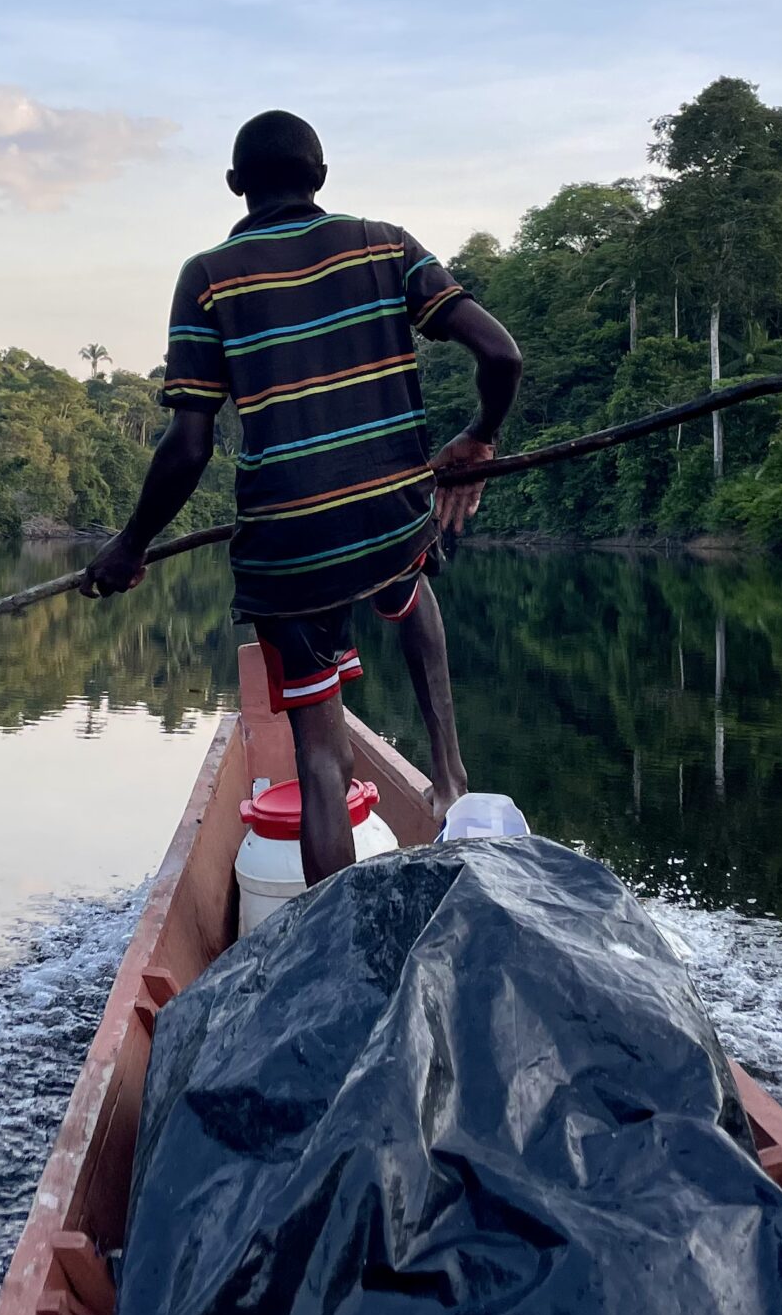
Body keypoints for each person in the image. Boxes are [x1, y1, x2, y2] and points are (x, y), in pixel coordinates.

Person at [81, 110, 522, 886]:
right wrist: (479, 437)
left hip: (290, 548)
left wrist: (131, 545)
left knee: (319, 755)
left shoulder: (208, 276)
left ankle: (337, 943)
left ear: (234, 187)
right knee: (408, 573)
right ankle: (449, 774)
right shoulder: (387, 244)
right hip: (392, 516)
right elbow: (501, 352)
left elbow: (188, 446)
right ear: (320, 177)